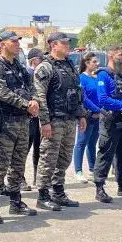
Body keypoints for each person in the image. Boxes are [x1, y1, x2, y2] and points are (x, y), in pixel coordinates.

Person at [0, 31, 38, 224]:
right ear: (2, 44)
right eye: (13, 41)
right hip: (5, 121)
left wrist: (33, 101)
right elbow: (1, 92)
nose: (17, 44)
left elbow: (32, 87)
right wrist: (26, 104)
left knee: (18, 163)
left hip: (22, 121)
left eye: (18, 41)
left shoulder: (20, 67)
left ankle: (16, 201)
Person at [34, 32, 86, 210]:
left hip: (70, 119)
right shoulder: (45, 67)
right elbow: (40, 96)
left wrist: (81, 115)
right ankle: (42, 195)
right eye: (63, 43)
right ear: (53, 45)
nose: (67, 45)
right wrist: (45, 122)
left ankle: (58, 191)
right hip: (54, 120)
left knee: (64, 158)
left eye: (67, 43)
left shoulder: (70, 65)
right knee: (48, 158)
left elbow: (76, 92)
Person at [93, 45, 122, 202]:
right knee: (106, 154)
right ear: (111, 56)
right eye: (120, 54)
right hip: (110, 120)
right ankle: (99, 188)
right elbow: (103, 99)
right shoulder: (103, 74)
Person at [74, 52, 100, 183]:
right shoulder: (81, 78)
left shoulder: (96, 78)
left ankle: (92, 169)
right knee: (81, 142)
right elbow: (83, 98)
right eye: (94, 62)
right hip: (87, 115)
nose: (97, 64)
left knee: (92, 144)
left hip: (98, 116)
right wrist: (96, 109)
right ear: (87, 63)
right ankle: (78, 171)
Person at [25, 48, 44, 188]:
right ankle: (19, 177)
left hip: (41, 117)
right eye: (40, 58)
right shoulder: (28, 73)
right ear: (33, 60)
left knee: (39, 148)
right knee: (25, 148)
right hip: (30, 117)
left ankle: (37, 177)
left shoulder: (42, 74)